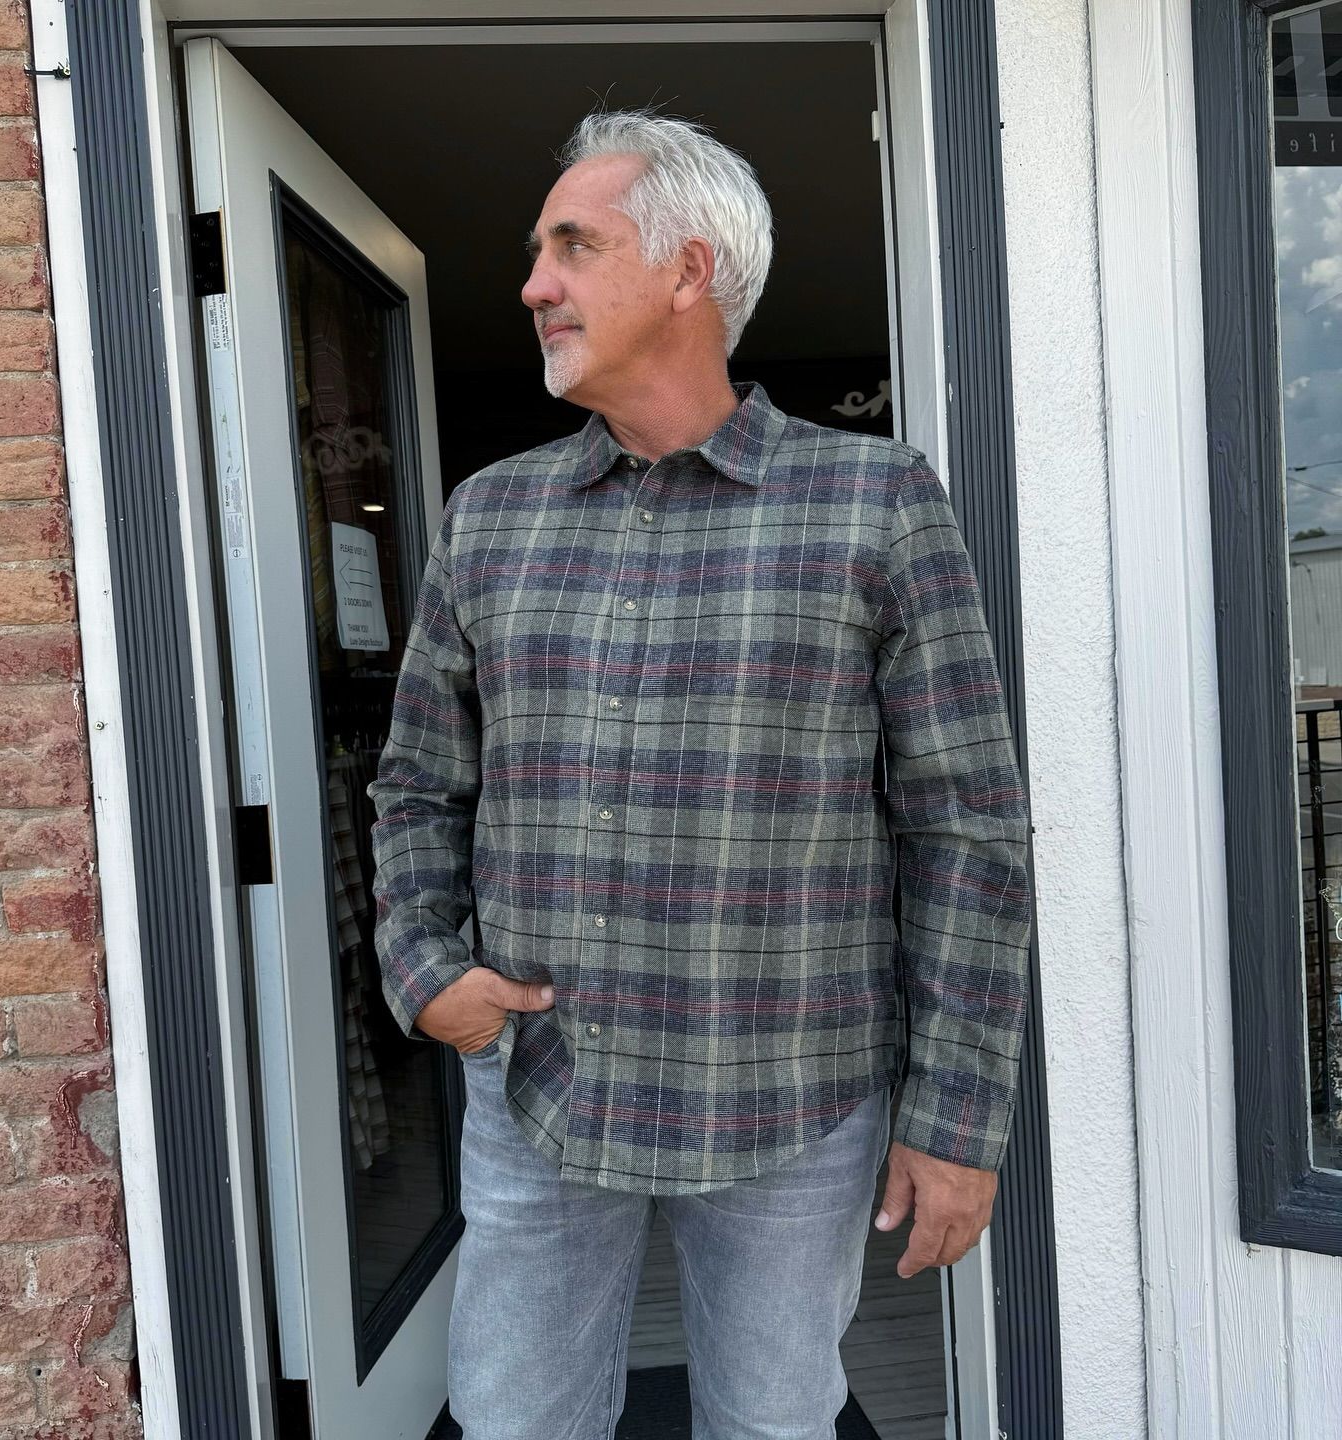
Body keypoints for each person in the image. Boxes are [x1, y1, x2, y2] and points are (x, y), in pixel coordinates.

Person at [368, 107, 1033, 1440]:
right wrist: (425, 972)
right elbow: (418, 785)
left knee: (776, 1424)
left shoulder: (875, 503)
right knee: (510, 1421)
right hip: (539, 1081)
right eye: (537, 251)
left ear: (689, 269)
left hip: (793, 1093)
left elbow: (966, 826)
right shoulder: (491, 515)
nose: (534, 284)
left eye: (573, 244)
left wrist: (958, 1116)